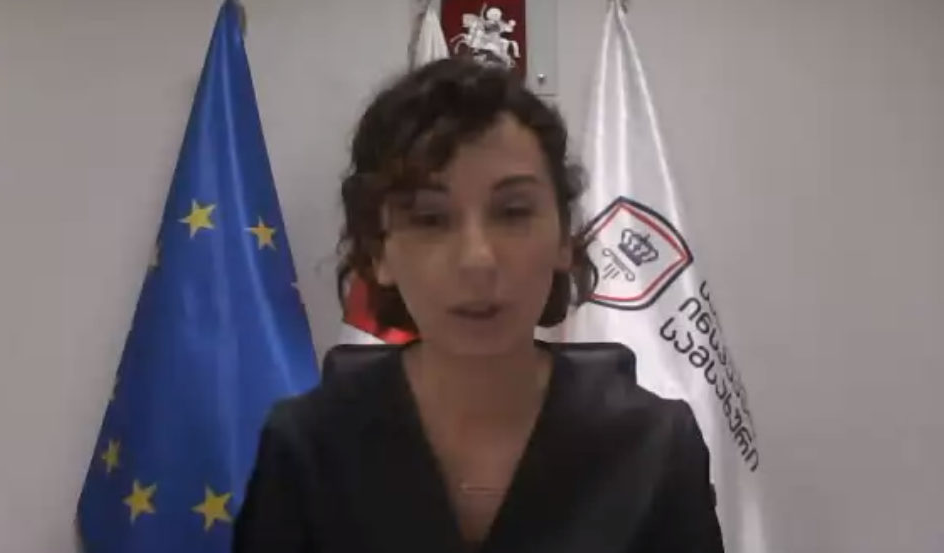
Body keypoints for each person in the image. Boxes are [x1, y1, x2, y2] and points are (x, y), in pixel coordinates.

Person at [232, 58, 724, 553]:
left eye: (513, 212)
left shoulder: (657, 446)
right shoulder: (306, 448)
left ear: (563, 239)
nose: (478, 260)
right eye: (430, 219)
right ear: (379, 253)